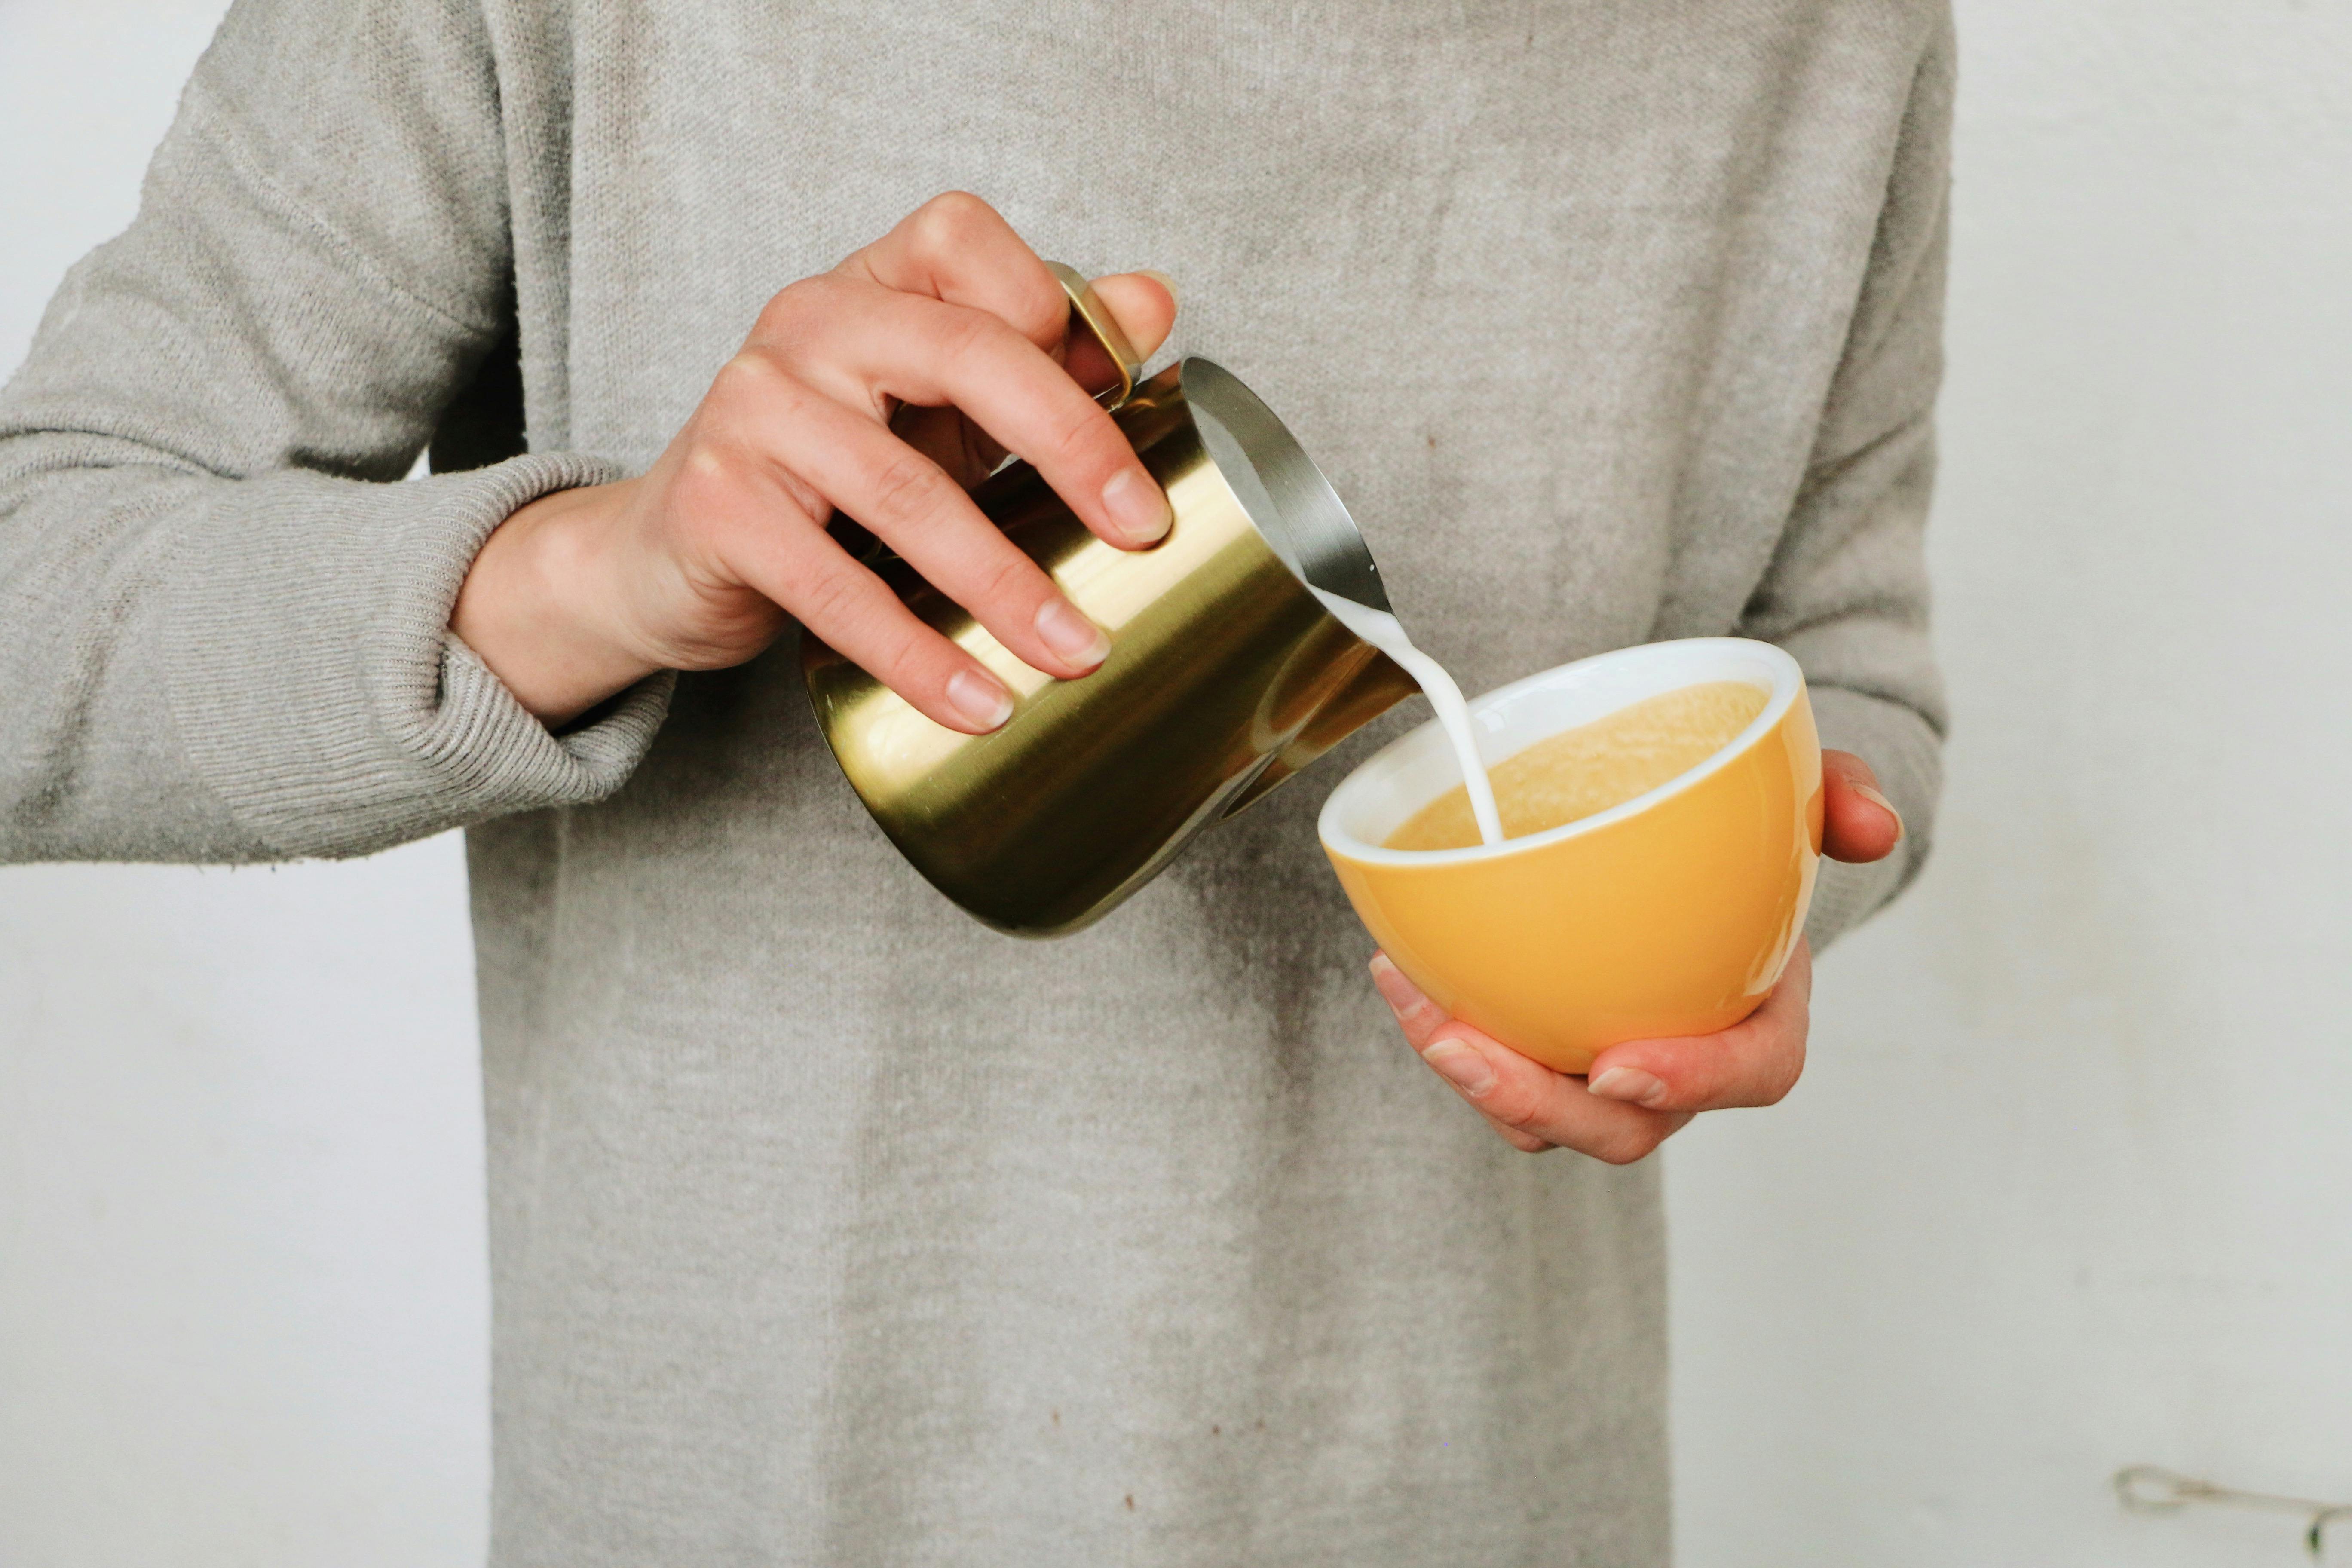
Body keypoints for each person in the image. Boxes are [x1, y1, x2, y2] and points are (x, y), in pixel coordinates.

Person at [0, 0, 1950, 1560]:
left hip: (1495, 1490)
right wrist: (604, 566)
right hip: (755, 1500)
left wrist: (1763, 895)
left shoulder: (1825, 35)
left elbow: (1846, 664)